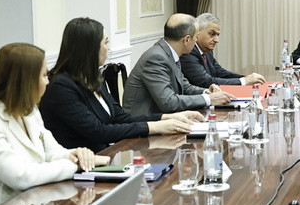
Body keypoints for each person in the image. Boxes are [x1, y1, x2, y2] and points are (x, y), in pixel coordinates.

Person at [0, 42, 110, 205]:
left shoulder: (29, 111)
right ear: (26, 81)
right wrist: (76, 165)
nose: (48, 81)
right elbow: (21, 176)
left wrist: (77, 155)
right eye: (44, 75)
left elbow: (53, 152)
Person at [39, 17, 201, 151]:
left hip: (107, 155)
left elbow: (120, 117)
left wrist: (168, 117)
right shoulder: (60, 87)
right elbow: (98, 132)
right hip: (80, 169)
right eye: (105, 43)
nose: (108, 48)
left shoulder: (93, 77)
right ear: (90, 49)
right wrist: (157, 127)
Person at [123, 14, 233, 116]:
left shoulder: (169, 53)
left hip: (164, 118)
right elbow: (168, 102)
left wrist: (207, 91)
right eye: (195, 37)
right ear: (186, 40)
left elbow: (185, 87)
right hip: (143, 126)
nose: (196, 42)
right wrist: (209, 99)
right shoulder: (156, 58)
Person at [180, 13, 264, 88]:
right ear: (198, 32)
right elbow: (205, 81)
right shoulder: (188, 52)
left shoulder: (207, 50)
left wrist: (245, 78)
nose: (217, 40)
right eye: (212, 34)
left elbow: (219, 72)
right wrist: (244, 81)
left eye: (217, 35)